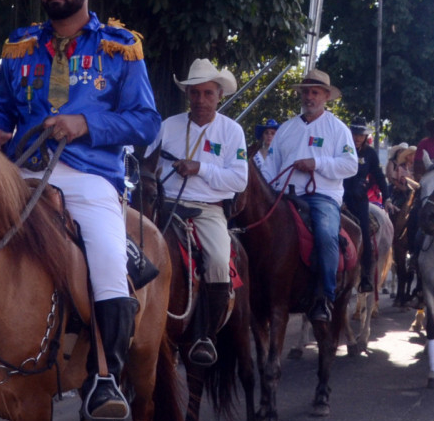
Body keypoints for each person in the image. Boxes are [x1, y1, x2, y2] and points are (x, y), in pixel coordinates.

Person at [0, 0, 161, 421]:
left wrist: (87, 124)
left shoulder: (120, 48)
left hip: (89, 177)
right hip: (19, 171)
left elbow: (146, 124)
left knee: (106, 257)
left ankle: (104, 377)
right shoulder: (19, 47)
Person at [144, 59, 247, 365]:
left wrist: (199, 168)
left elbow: (239, 179)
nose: (201, 100)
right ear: (188, 95)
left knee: (216, 261)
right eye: (195, 94)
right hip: (165, 205)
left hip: (207, 210)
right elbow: (148, 167)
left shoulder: (232, 131)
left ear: (219, 95)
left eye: (207, 94)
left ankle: (205, 335)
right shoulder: (167, 126)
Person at [261, 68, 357, 323]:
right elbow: (271, 167)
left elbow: (350, 165)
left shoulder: (338, 129)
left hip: (321, 196)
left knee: (326, 235)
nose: (309, 97)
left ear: (326, 96)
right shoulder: (286, 129)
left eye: (315, 92)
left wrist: (316, 163)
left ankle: (324, 297)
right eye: (306, 92)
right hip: (284, 194)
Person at [343, 122, 391, 293]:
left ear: (365, 137)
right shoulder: (341, 148)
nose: (357, 138)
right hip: (340, 196)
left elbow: (378, 175)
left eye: (361, 135)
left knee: (364, 232)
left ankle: (365, 276)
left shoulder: (370, 154)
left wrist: (387, 197)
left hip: (359, 200)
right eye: (355, 134)